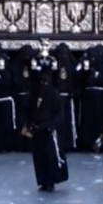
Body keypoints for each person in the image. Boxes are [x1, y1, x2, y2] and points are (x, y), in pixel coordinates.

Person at [27, 55, 68, 193]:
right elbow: (29, 110)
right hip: (37, 131)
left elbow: (59, 114)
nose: (43, 85)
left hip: (49, 131)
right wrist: (30, 124)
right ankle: (43, 181)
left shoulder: (54, 95)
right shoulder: (35, 94)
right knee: (39, 156)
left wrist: (50, 125)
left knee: (50, 156)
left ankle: (51, 181)